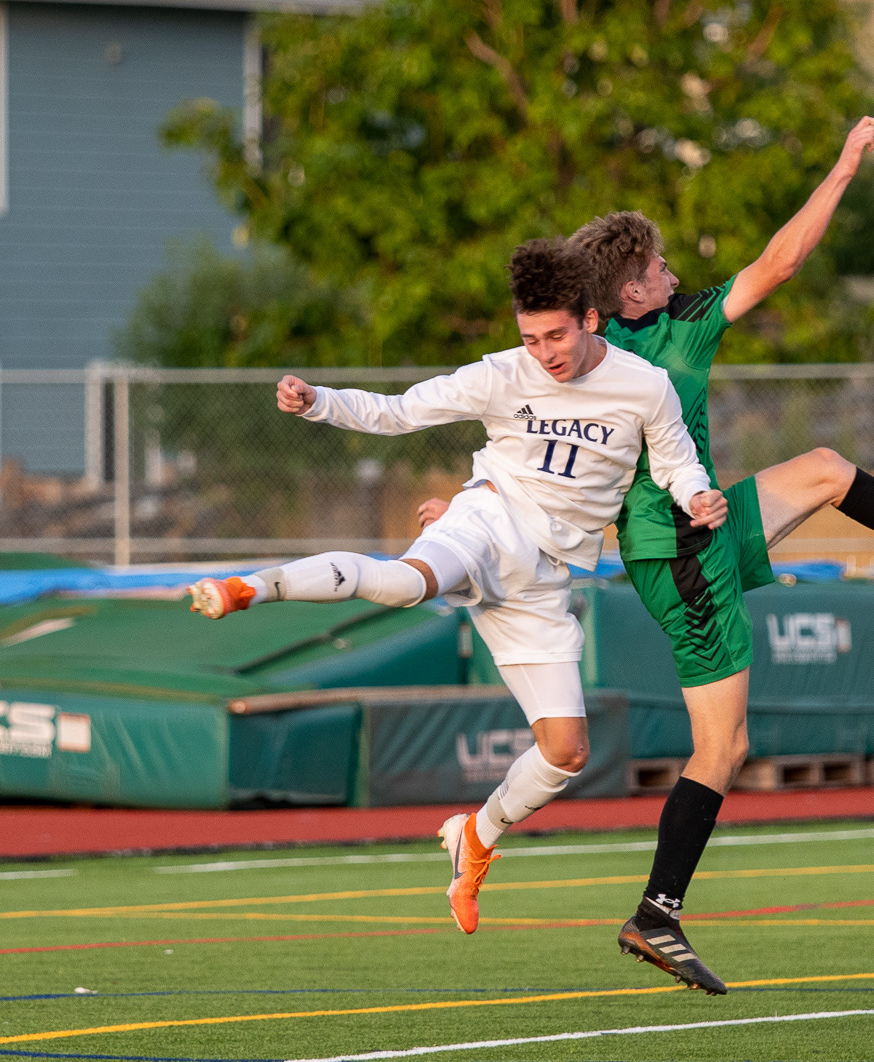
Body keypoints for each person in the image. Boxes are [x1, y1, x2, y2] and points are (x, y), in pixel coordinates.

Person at [564, 117, 874, 993]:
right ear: (633, 289)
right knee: (723, 746)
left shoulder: (587, 355)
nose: (673, 273)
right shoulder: (674, 334)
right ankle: (657, 913)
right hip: (682, 557)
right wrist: (841, 167)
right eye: (659, 266)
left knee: (826, 471)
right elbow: (784, 259)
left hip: (694, 534)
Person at [187, 239, 725, 938]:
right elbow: (398, 411)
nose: (544, 353)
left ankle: (475, 836)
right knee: (411, 584)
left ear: (591, 320)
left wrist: (697, 496)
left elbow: (677, 462)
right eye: (530, 339)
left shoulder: (643, 385)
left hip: (544, 578)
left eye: (556, 335)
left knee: (566, 752)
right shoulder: (501, 374)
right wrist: (319, 402)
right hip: (486, 522)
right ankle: (251, 587)